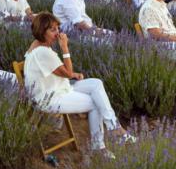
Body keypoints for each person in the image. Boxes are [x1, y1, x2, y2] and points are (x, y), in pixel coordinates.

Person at [23, 13, 134, 156]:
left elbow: (59, 72)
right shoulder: (43, 53)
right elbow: (68, 73)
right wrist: (65, 48)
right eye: (52, 30)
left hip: (58, 87)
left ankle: (114, 128)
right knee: (96, 103)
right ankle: (99, 147)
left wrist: (73, 75)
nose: (57, 32)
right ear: (41, 31)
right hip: (50, 98)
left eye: (57, 28)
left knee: (96, 84)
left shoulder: (36, 45)